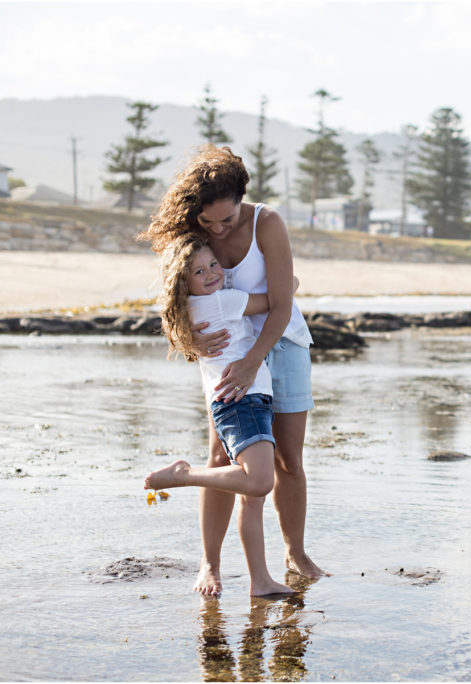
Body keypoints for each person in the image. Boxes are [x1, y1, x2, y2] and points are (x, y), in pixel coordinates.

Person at [139, 145, 323, 596]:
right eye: (209, 222)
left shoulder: (268, 223)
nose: (218, 229)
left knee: (288, 461)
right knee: (221, 458)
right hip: (225, 357)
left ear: (243, 197)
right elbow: (172, 302)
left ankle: (294, 553)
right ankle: (210, 564)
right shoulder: (190, 233)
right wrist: (188, 341)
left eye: (227, 219)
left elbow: (282, 305)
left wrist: (253, 360)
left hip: (282, 345)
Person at [145, 234, 294, 596]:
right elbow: (282, 294)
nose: (212, 273)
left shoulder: (193, 309)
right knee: (259, 481)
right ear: (185, 282)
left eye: (213, 264)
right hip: (241, 400)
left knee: (253, 496)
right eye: (200, 271)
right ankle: (183, 475)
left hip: (241, 399)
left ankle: (260, 580)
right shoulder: (223, 302)